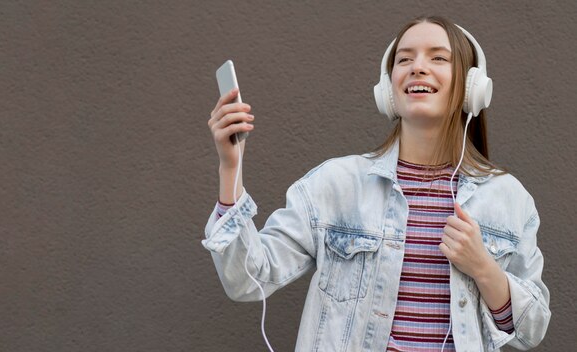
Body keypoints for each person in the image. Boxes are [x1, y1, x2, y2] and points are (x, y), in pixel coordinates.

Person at [203, 16, 550, 352]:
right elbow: (248, 278)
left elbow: (531, 331)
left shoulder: (508, 198)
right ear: (388, 90)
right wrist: (230, 169)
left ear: (472, 88)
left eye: (438, 57)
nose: (417, 66)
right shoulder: (335, 185)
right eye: (404, 59)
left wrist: (484, 269)